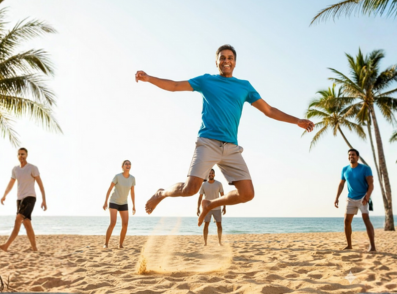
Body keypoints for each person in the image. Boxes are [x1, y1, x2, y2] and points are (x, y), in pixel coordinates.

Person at [134, 45, 315, 226]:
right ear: (217, 62)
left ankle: (210, 203)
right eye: (222, 58)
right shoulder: (206, 81)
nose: (226, 61)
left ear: (235, 62)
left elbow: (269, 110)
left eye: (230, 58)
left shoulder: (244, 87)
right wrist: (149, 78)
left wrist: (297, 121)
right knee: (190, 189)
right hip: (208, 143)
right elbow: (174, 86)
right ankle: (161, 193)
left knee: (247, 194)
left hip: (231, 147)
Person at [0, 148, 48, 252]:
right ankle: (34, 248)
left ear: (27, 155)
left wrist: (44, 199)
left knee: (18, 219)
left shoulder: (32, 168)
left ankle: (6, 245)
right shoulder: (15, 169)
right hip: (19, 199)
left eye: (23, 154)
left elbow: (40, 184)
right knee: (26, 223)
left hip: (30, 197)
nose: (21, 156)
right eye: (19, 154)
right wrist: (4, 195)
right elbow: (11, 183)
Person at [335, 149, 375, 251]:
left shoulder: (365, 169)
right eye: (349, 155)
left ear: (357, 157)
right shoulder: (345, 169)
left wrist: (367, 197)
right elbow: (341, 184)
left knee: (366, 220)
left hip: (363, 198)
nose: (351, 156)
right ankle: (349, 245)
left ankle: (373, 246)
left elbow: (371, 185)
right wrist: (337, 197)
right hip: (350, 198)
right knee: (347, 221)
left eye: (353, 155)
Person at [102, 160, 136, 248]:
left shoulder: (132, 178)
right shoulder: (117, 176)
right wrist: (105, 201)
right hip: (114, 201)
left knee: (125, 224)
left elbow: (132, 192)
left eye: (129, 164)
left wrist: (134, 205)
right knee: (113, 223)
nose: (128, 165)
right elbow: (110, 189)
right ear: (123, 166)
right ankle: (106, 243)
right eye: (126, 164)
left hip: (124, 203)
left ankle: (120, 244)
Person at [197, 169, 226, 246]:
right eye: (209, 173)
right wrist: (198, 208)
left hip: (217, 207)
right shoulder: (204, 185)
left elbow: (223, 196)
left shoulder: (219, 184)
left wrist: (224, 206)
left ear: (214, 175)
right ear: (207, 175)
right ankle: (205, 243)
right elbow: (200, 197)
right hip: (207, 208)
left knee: (219, 225)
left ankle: (220, 242)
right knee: (206, 224)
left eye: (212, 173)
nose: (211, 174)